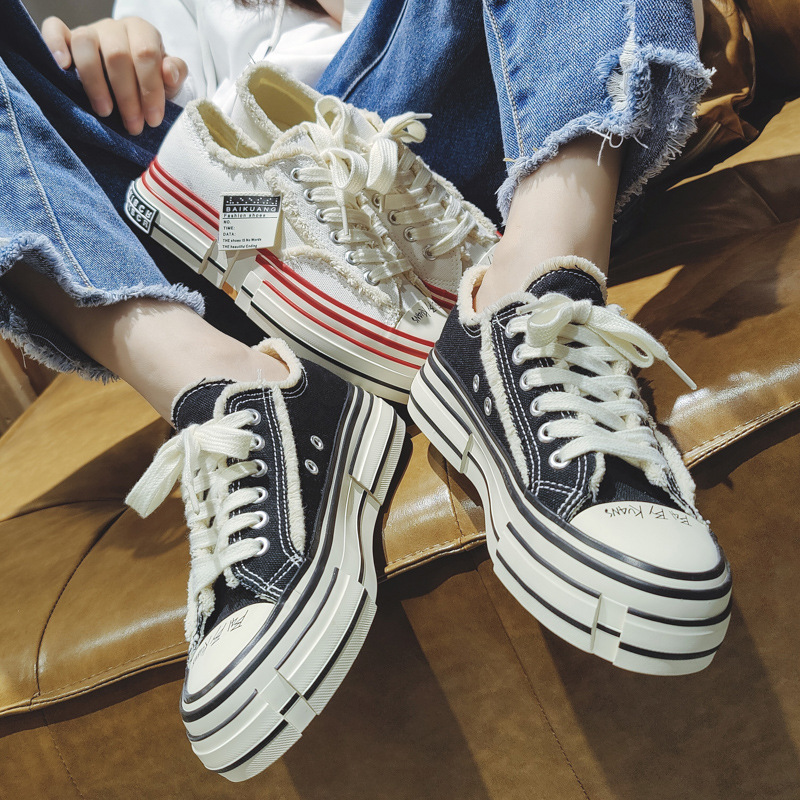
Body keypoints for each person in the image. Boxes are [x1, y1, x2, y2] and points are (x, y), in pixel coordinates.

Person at [0, 0, 731, 782]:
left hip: (464, 162)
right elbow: (183, 158)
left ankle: (530, 288)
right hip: (249, 243)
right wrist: (97, 67)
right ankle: (232, 388)